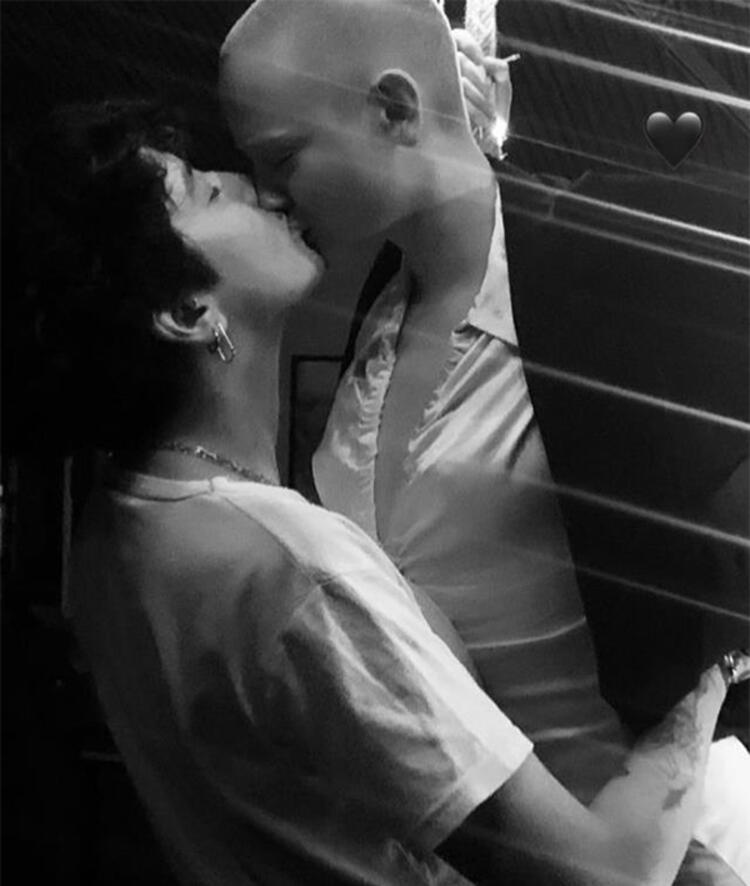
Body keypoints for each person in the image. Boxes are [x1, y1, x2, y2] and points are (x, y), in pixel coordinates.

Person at [22, 97, 749, 886]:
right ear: (188, 311)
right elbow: (612, 875)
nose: (256, 186)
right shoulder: (293, 569)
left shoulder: (109, 538)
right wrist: (711, 669)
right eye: (207, 191)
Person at [219, 1, 750, 882]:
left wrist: (719, 671)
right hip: (504, 857)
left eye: (280, 157)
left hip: (677, 847)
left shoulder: (615, 259)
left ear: (394, 109)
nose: (266, 192)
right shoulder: (380, 312)